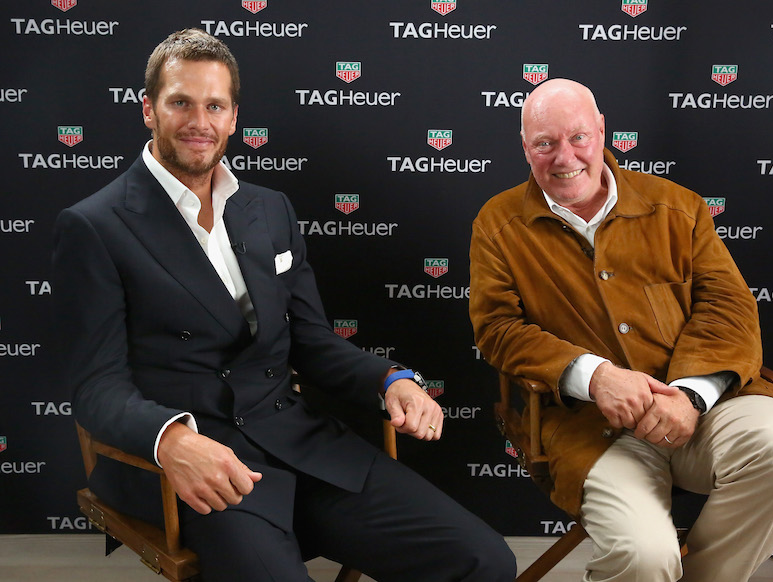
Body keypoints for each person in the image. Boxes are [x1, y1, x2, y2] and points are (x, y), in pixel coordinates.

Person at [52, 28, 516, 582]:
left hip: (299, 441)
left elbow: (313, 342)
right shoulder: (95, 225)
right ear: (148, 109)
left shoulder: (269, 210)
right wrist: (172, 440)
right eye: (181, 102)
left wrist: (391, 379)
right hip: (199, 470)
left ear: (233, 118)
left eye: (214, 105)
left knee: (485, 562)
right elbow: (96, 387)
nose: (199, 121)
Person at [469, 78, 773, 582]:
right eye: (545, 143)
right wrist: (596, 376)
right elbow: (497, 329)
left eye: (579, 137)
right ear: (524, 147)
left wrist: (689, 396)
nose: (565, 157)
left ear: (603, 131)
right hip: (588, 428)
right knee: (644, 558)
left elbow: (728, 308)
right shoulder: (497, 222)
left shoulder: (679, 204)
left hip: (703, 412)